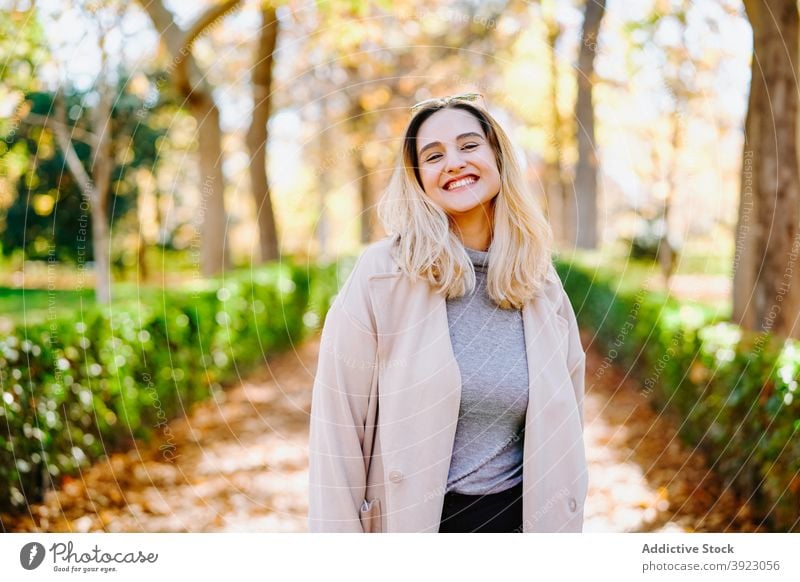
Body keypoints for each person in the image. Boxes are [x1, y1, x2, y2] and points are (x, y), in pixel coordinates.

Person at [308, 92, 587, 533]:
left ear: (497, 156)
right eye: (433, 155)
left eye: (469, 145)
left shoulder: (540, 285)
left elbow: (567, 429)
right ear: (418, 179)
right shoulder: (383, 275)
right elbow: (336, 430)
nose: (454, 162)